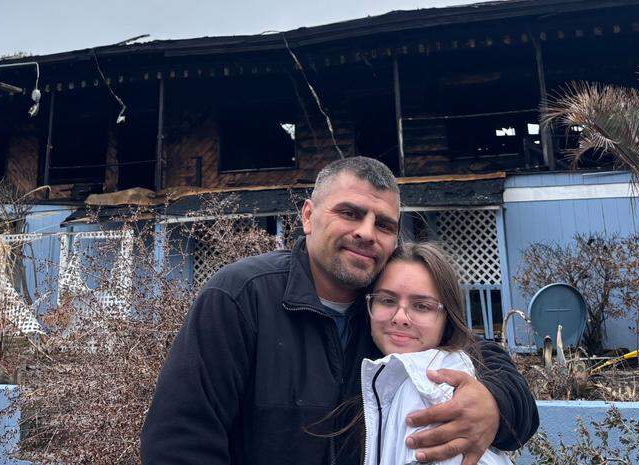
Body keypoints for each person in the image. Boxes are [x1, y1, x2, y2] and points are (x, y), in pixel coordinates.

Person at [141, 156, 537, 465]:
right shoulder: (242, 297)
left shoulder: (388, 318)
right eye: (350, 213)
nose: (366, 232)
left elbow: (482, 357)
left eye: (384, 224)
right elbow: (180, 439)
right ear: (308, 216)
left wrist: (494, 404)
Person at [360, 242, 512, 465]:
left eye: (422, 306)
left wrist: (497, 404)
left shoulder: (434, 392)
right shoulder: (380, 373)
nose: (400, 318)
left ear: (448, 317)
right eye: (387, 300)